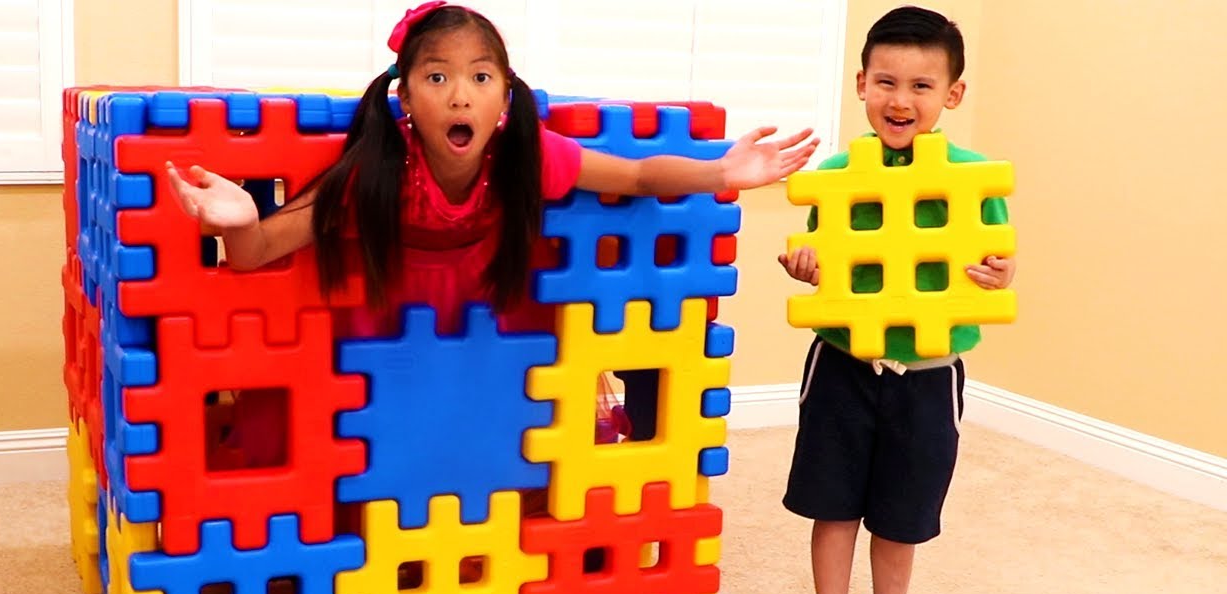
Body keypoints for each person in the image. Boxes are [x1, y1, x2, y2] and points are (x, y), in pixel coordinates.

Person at [166, 2, 819, 468]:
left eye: (480, 77)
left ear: (504, 94)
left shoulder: (523, 152)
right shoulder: (378, 169)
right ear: (405, 96)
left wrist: (723, 170)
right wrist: (241, 221)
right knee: (386, 452)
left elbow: (640, 173)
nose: (460, 96)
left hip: (498, 314)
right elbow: (259, 252)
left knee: (509, 447)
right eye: (437, 77)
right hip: (390, 324)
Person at [776, 6, 1016, 594]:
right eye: (885, 82)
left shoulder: (975, 176)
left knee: (904, 511)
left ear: (952, 95)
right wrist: (806, 266)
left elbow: (995, 260)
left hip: (929, 373)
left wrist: (1000, 273)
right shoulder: (840, 171)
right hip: (844, 363)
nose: (900, 100)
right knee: (833, 501)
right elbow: (824, 255)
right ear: (860, 85)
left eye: (921, 86)